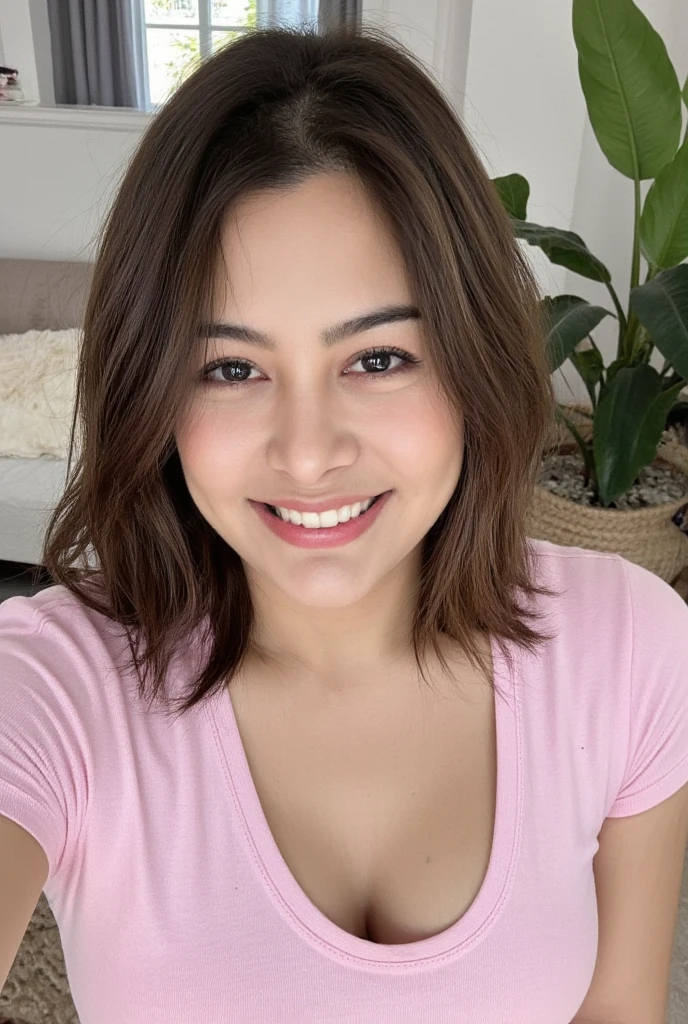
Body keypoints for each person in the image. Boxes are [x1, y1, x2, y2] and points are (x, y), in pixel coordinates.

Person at [2, 24, 688, 1024]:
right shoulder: (54, 685)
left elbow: (618, 1010)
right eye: (231, 369)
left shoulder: (629, 645)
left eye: (376, 360)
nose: (308, 450)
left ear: (469, 361)